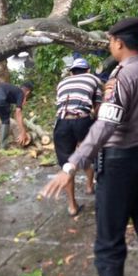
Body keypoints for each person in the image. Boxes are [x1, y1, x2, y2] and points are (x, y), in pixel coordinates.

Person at [41, 17, 138, 276]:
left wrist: (72, 164)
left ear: (119, 43)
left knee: (110, 244)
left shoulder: (123, 76)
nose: (111, 46)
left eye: (111, 41)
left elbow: (106, 124)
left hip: (119, 166)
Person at [53, 57, 103, 216]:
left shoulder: (62, 83)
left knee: (67, 164)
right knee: (85, 154)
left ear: (72, 72)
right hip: (82, 120)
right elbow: (98, 106)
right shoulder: (93, 79)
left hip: (62, 123)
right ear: (87, 70)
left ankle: (72, 206)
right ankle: (89, 187)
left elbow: (60, 104)